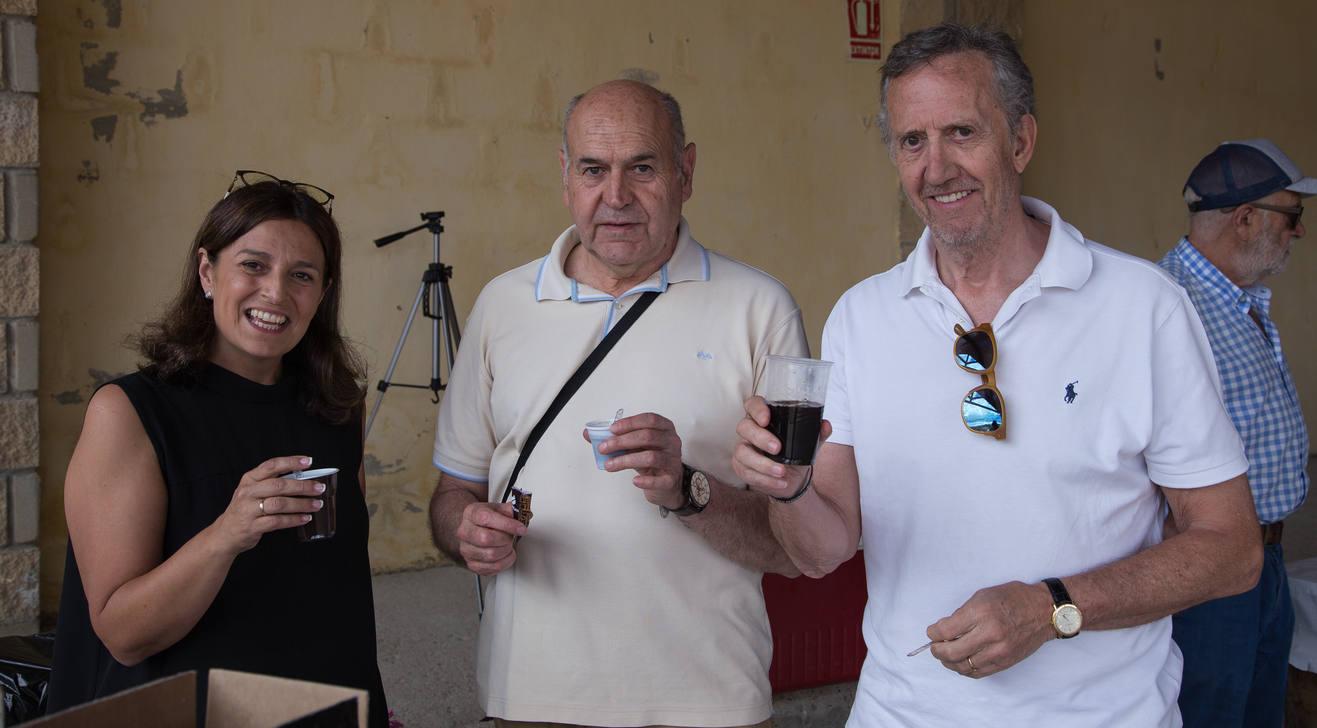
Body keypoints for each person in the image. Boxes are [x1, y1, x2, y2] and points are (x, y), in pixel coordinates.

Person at [732, 24, 1262, 727]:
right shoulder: (862, 316)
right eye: (911, 141)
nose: (936, 167)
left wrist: (1052, 607)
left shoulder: (1141, 307)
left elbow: (1231, 551)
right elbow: (824, 548)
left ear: (1020, 141)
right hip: (900, 713)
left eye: (961, 132)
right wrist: (788, 488)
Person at [429, 80, 807, 727]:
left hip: (709, 699)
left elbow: (792, 546)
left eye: (642, 167)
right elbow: (448, 498)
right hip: (531, 698)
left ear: (685, 171)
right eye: (593, 170)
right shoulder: (502, 306)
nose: (616, 197)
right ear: (564, 175)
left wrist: (687, 487)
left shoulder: (760, 309)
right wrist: (466, 533)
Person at [48, 172, 388, 728]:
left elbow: (337, 589)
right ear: (208, 272)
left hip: (326, 703)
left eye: (301, 275)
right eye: (253, 265)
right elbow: (123, 634)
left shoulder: (337, 408)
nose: (276, 292)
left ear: (322, 294)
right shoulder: (131, 412)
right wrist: (229, 532)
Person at [1159, 139, 1312, 726]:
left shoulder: (1237, 301)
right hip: (1206, 572)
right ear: (1246, 219)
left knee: (1258, 711)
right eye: (1291, 217)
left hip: (1266, 561)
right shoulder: (1168, 302)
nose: (1297, 232)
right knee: (1209, 712)